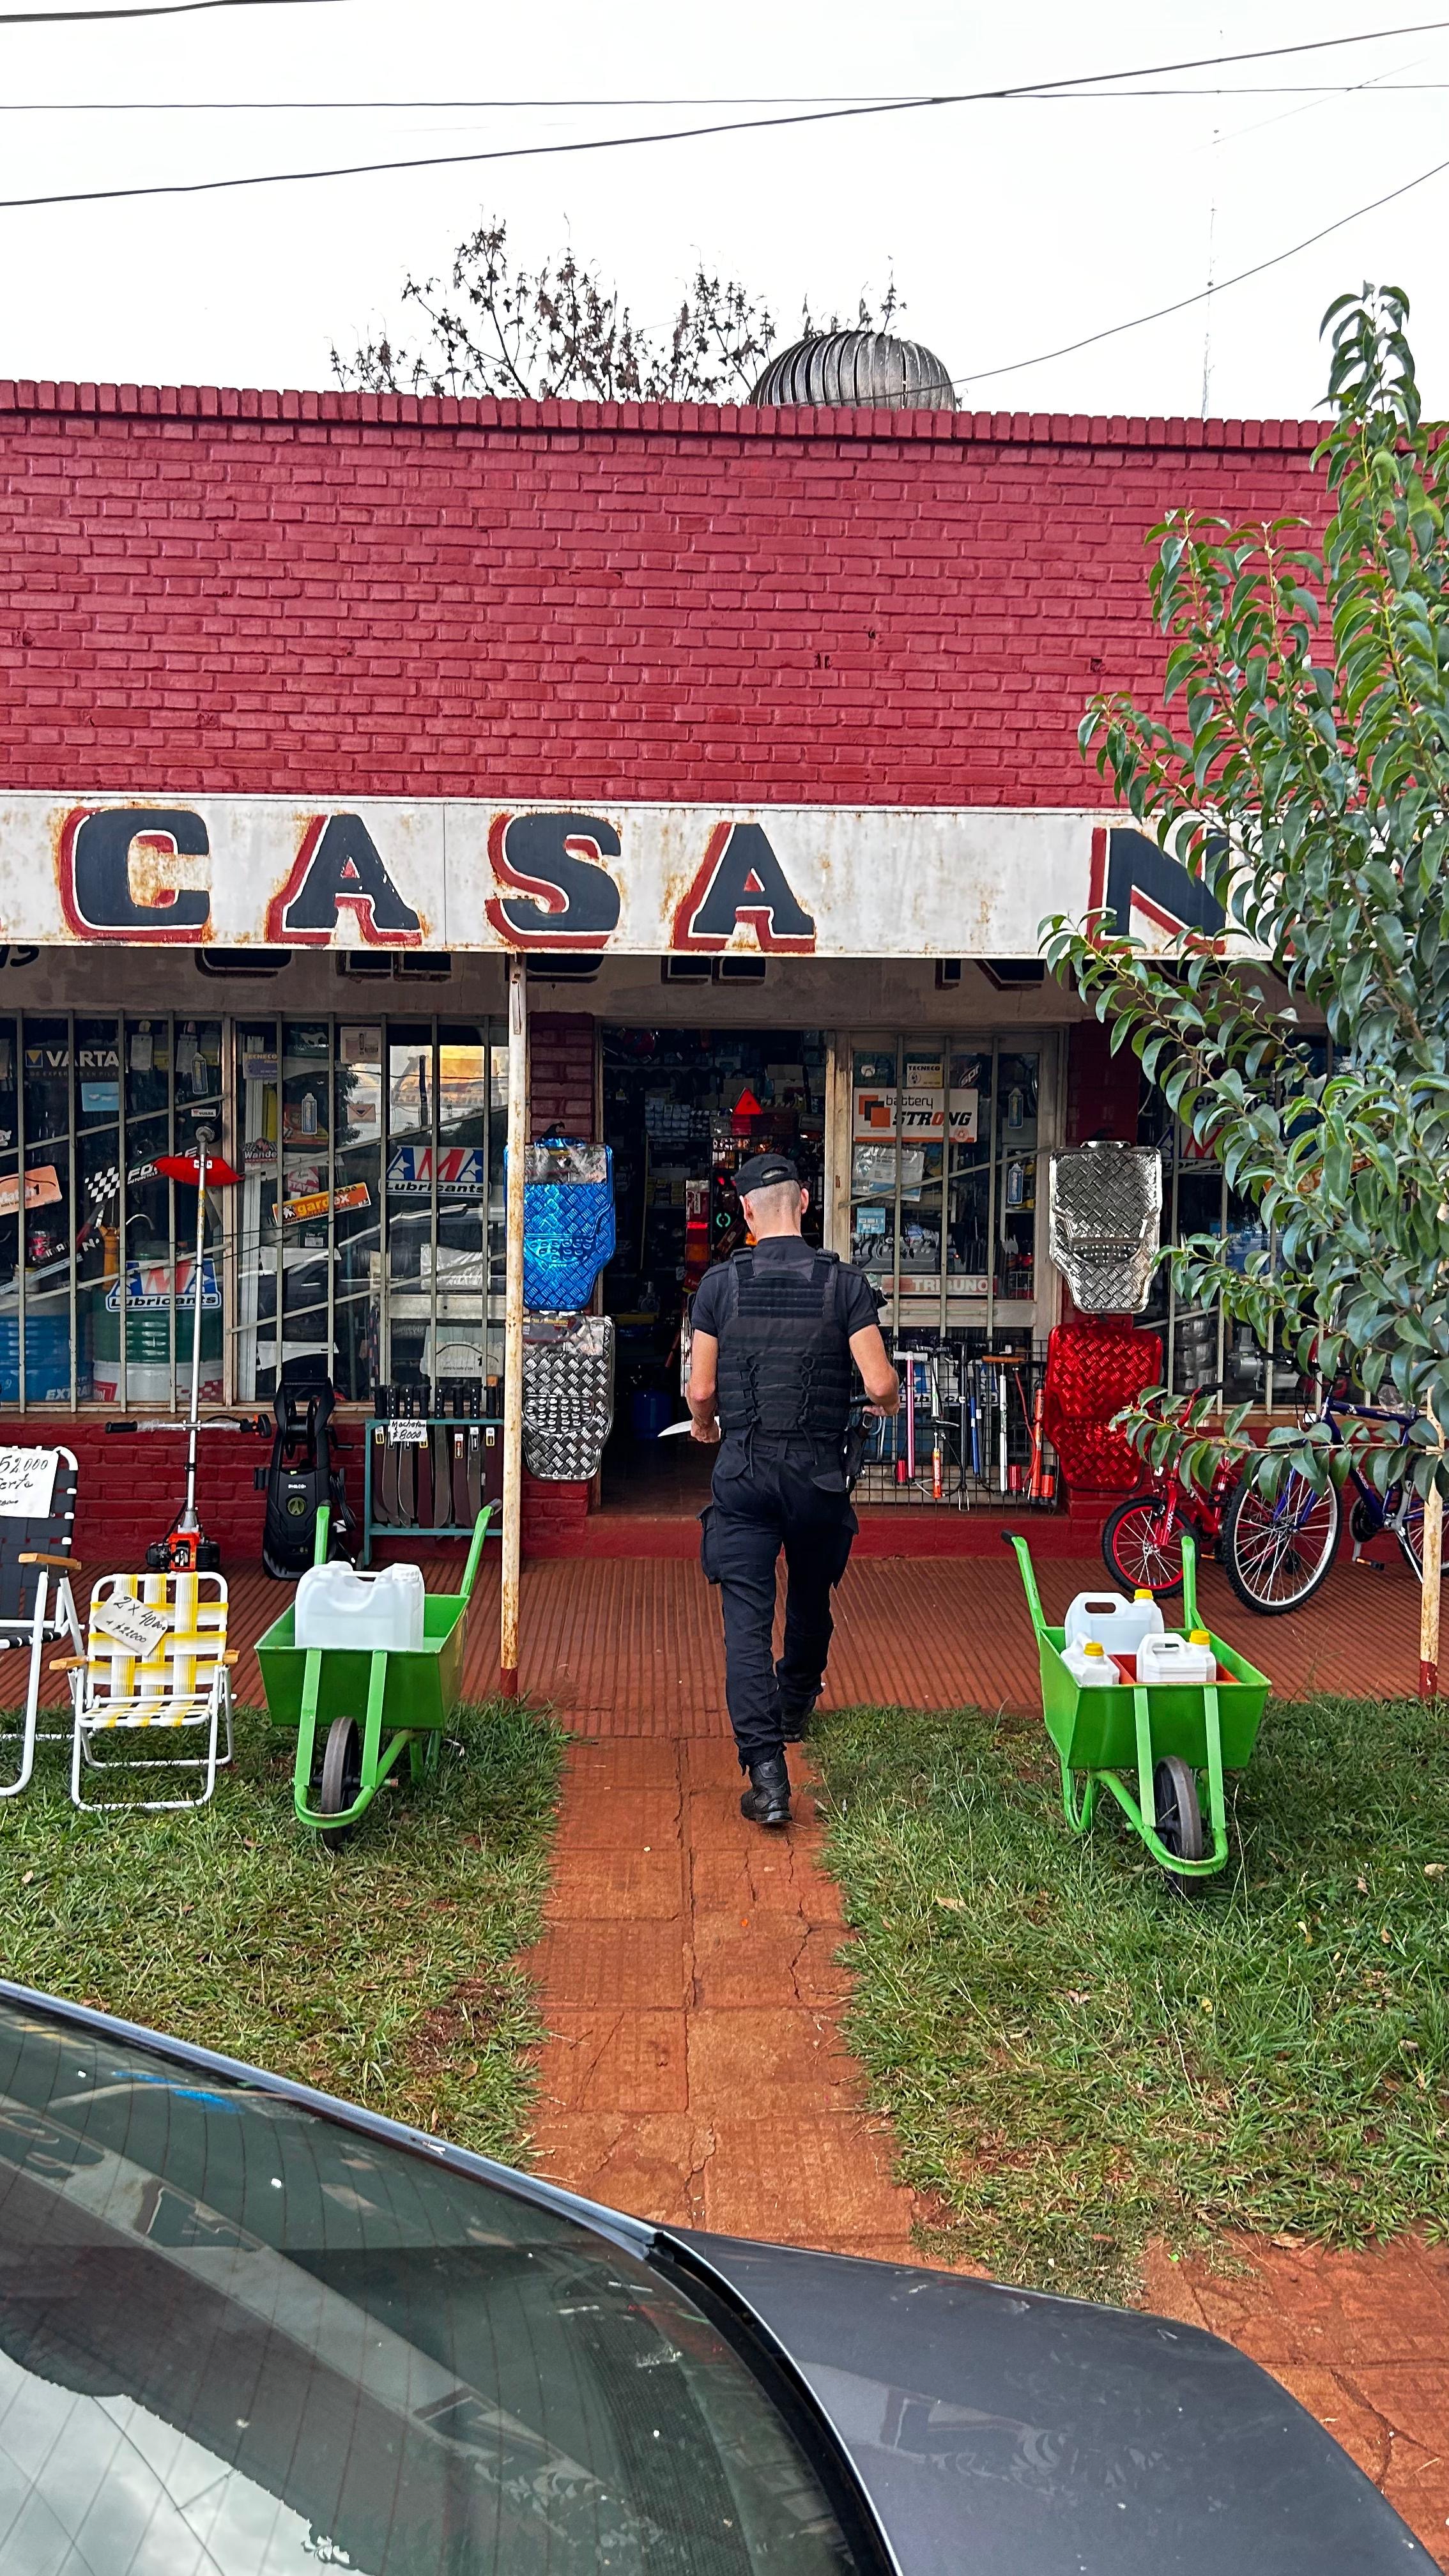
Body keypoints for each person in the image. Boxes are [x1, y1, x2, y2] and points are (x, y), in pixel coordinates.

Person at [686, 1151, 900, 1827]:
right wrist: (887, 1406)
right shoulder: (844, 1284)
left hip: (745, 1475)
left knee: (745, 1624)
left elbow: (701, 1388)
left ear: (746, 1212)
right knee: (810, 1593)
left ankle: (768, 1777)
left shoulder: (720, 1285)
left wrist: (703, 1426)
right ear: (805, 1202)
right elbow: (880, 1383)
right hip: (817, 1476)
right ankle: (796, 1701)